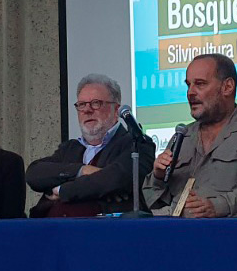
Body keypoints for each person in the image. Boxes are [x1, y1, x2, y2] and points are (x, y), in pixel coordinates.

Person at [146, 54, 237, 217]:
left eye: (200, 84)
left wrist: (217, 206)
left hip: (235, 235)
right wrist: (158, 176)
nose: (190, 92)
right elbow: (152, 200)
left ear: (227, 87)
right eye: (188, 85)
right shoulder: (182, 136)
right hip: (182, 234)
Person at [26, 74, 155, 217]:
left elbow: (115, 180)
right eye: (81, 105)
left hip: (105, 233)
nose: (87, 110)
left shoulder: (137, 144)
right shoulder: (70, 148)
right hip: (50, 230)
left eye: (96, 103)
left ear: (116, 110)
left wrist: (61, 190)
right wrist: (82, 170)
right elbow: (34, 174)